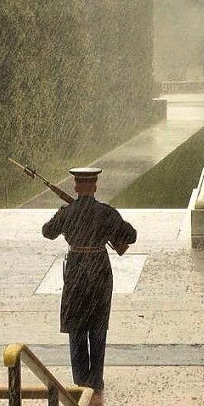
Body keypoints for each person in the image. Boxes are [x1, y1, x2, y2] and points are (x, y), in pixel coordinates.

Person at [42, 167, 137, 391]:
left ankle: (80, 380)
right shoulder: (106, 213)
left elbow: (48, 232)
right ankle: (96, 379)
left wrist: (63, 213)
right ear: (95, 186)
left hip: (75, 271)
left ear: (75, 187)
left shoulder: (67, 212)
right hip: (99, 270)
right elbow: (131, 236)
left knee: (76, 326)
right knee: (97, 325)